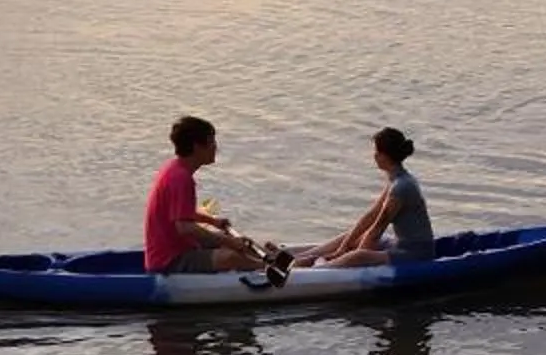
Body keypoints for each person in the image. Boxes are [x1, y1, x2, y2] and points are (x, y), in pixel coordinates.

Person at [144, 115, 266, 274]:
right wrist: (228, 241)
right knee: (229, 256)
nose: (216, 147)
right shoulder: (180, 178)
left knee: (242, 243)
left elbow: (181, 212)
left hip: (182, 247)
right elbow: (185, 227)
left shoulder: (175, 169)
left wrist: (213, 221)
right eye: (211, 142)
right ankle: (268, 269)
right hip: (169, 261)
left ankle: (270, 259)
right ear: (197, 147)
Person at [295, 128, 434, 268]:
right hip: (397, 245)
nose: (374, 156)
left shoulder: (401, 187)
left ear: (384, 156)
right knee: (350, 237)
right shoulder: (396, 180)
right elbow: (370, 217)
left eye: (376, 152)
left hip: (415, 254)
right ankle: (298, 259)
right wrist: (343, 248)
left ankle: (317, 268)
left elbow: (377, 229)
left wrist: (355, 253)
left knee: (358, 255)